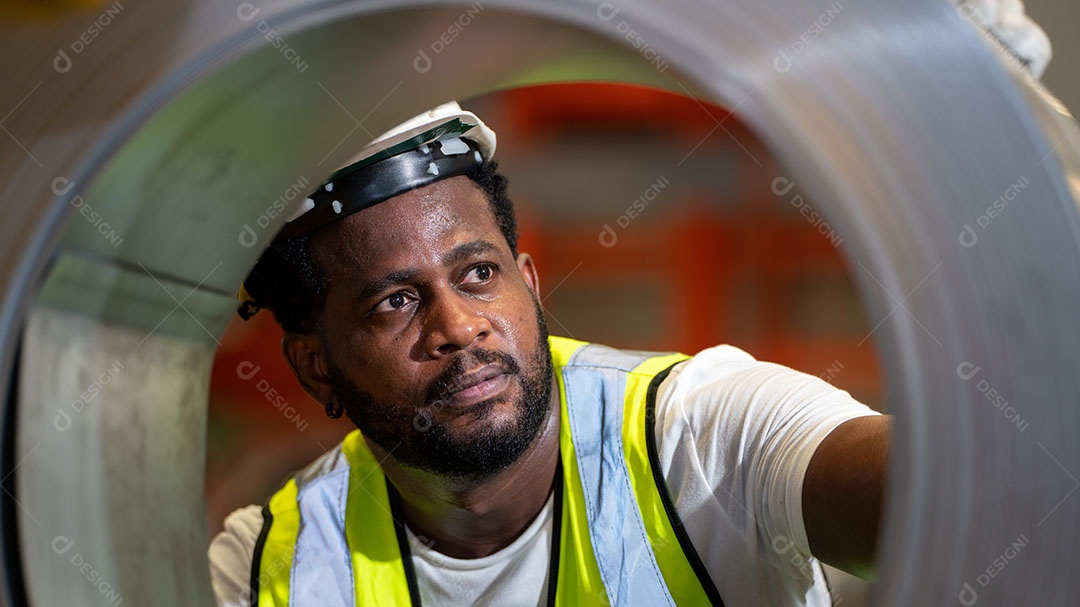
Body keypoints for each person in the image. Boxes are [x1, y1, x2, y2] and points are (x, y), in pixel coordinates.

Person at [209, 101, 889, 607]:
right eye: (395, 302)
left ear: (530, 285)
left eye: (477, 273)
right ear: (316, 367)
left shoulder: (702, 433)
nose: (460, 326)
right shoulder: (271, 568)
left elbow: (947, 492)